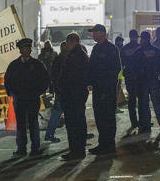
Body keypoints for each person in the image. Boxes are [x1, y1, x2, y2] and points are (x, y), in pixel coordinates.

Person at [5, 37, 49, 157]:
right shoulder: (14, 65)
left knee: (33, 123)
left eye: (29, 47)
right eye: (25, 47)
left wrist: (39, 91)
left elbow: (45, 79)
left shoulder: (37, 64)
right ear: (20, 50)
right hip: (19, 99)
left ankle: (35, 148)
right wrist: (11, 93)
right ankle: (21, 148)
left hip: (32, 98)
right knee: (21, 124)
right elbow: (8, 81)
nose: (28, 49)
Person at [87, 23, 122, 155]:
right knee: (100, 118)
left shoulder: (111, 49)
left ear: (102, 33)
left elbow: (115, 69)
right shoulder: (96, 48)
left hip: (107, 90)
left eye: (95, 32)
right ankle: (103, 144)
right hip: (97, 89)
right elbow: (92, 68)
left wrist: (106, 89)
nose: (93, 35)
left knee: (108, 118)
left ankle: (109, 145)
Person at [56, 32, 90, 161]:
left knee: (73, 124)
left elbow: (70, 77)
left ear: (72, 42)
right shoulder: (80, 54)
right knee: (79, 122)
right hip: (77, 94)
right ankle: (78, 149)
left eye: (68, 43)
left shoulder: (75, 56)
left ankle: (76, 150)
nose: (67, 46)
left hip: (72, 95)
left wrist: (62, 87)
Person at [138, 30, 160, 136]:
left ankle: (146, 126)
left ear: (142, 39)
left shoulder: (139, 51)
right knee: (157, 104)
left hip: (143, 82)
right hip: (154, 80)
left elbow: (134, 67)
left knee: (144, 105)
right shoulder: (156, 50)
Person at [43, 39, 65, 143]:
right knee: (58, 113)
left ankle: (49, 133)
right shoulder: (60, 58)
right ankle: (49, 134)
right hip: (63, 91)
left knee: (57, 113)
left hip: (59, 89)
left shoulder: (57, 58)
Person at [121, 29, 143, 133]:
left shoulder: (125, 48)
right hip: (137, 77)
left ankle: (136, 122)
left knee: (133, 100)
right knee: (139, 100)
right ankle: (140, 121)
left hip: (133, 77)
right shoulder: (140, 48)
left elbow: (123, 63)